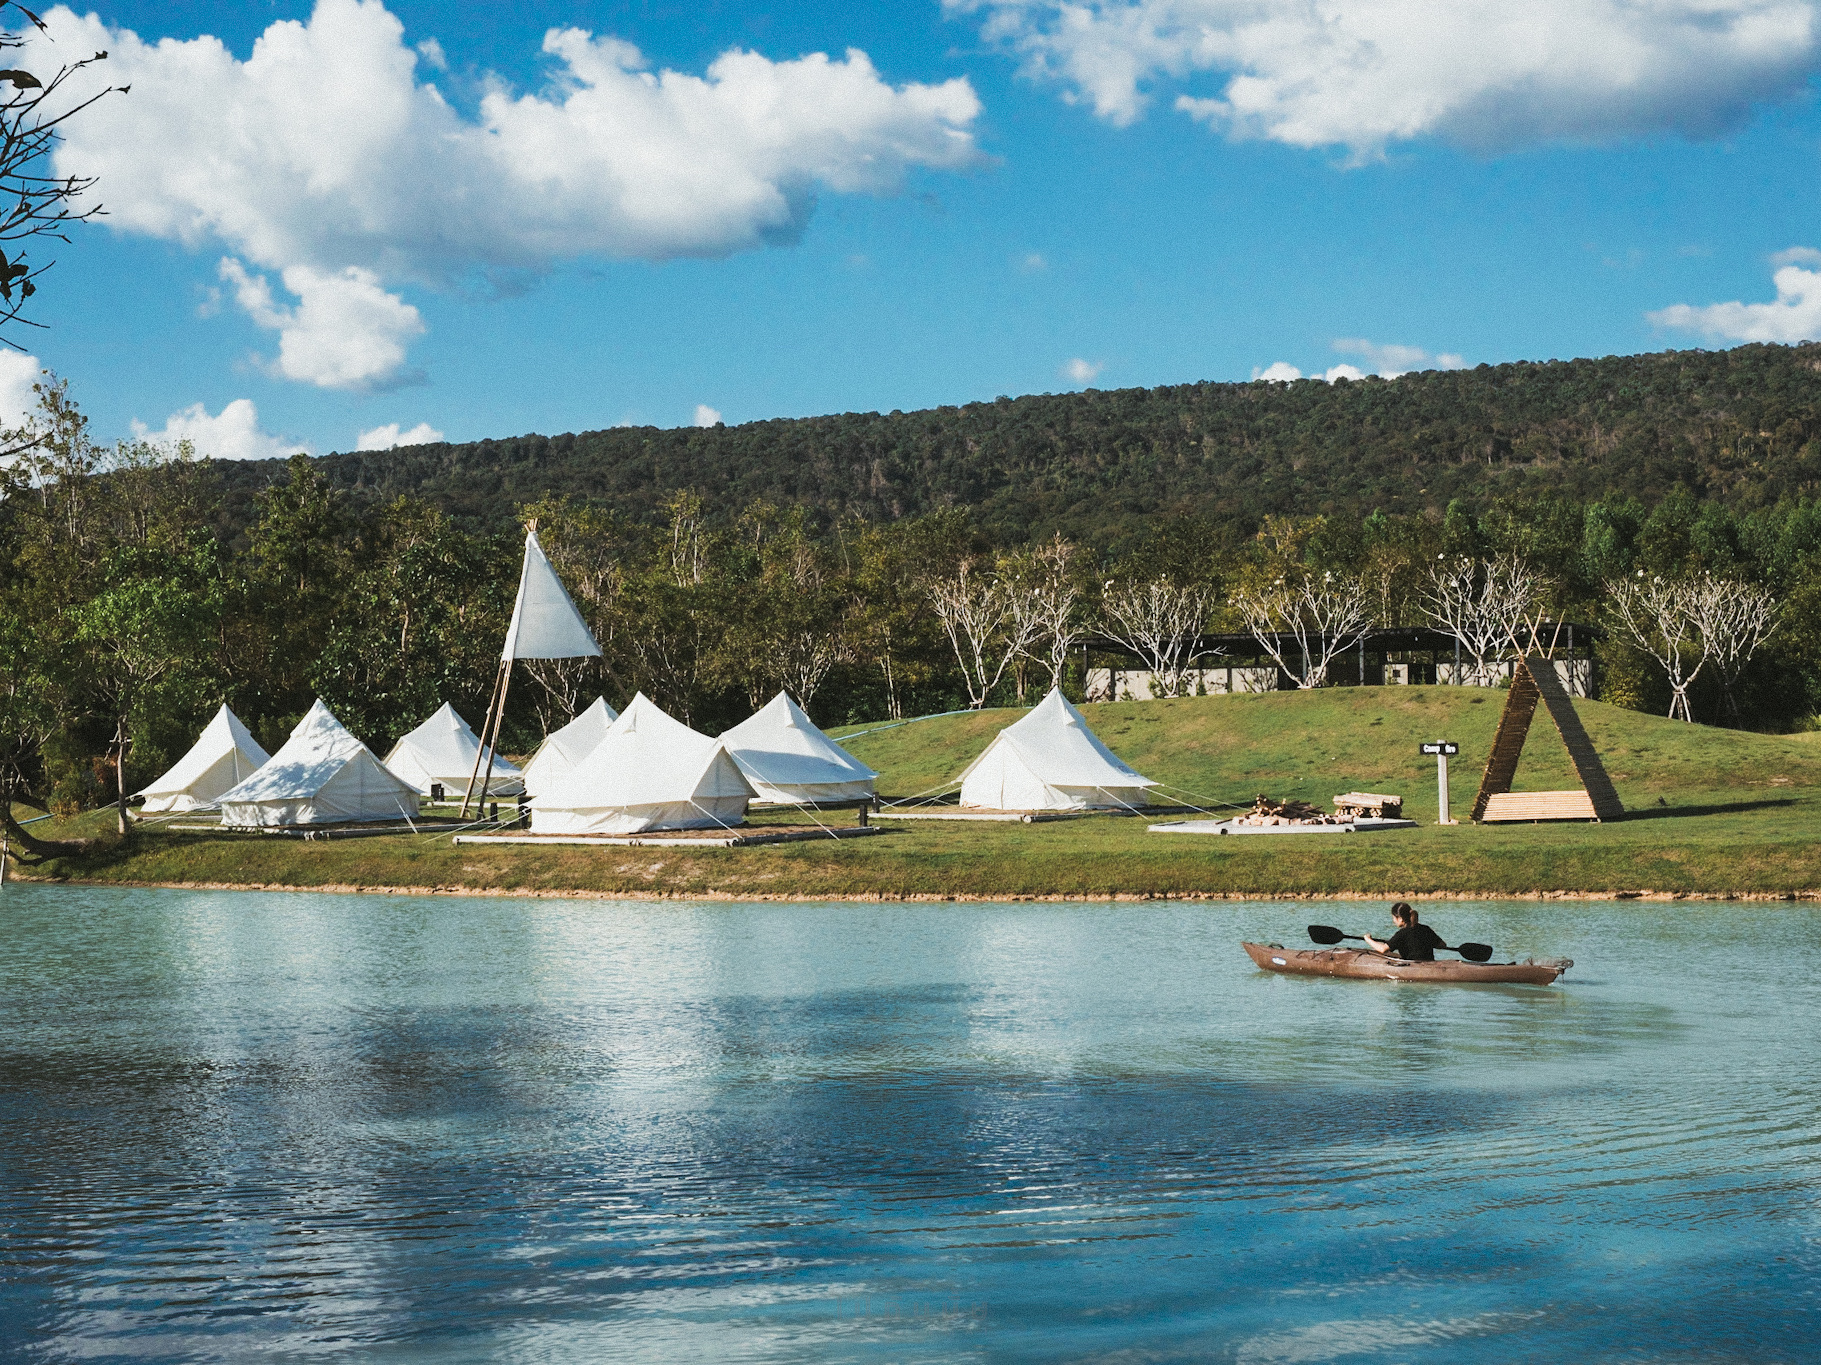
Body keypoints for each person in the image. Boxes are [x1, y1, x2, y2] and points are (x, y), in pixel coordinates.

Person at [1363, 902, 1447, 961]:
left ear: (1400, 919)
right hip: (1430, 964)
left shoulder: (1402, 933)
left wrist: (1368, 939)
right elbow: (1442, 945)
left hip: (1413, 967)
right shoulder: (1425, 929)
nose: (1393, 921)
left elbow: (1383, 949)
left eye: (1394, 918)